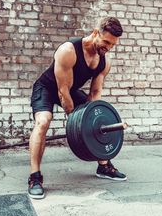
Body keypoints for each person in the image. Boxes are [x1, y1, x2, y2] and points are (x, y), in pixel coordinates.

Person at [28, 17, 127, 199]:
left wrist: (88, 121)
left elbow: (95, 92)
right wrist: (76, 122)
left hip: (71, 89)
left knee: (93, 116)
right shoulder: (69, 50)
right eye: (106, 42)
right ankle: (35, 177)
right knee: (43, 122)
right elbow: (62, 91)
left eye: (113, 45)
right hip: (48, 88)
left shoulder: (104, 60)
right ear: (96, 32)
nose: (109, 47)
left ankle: (104, 165)